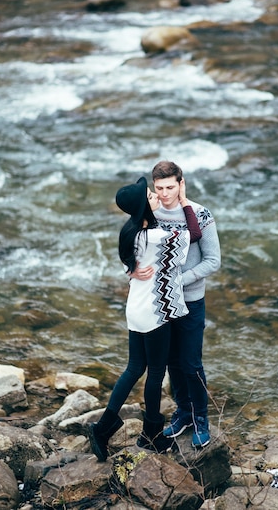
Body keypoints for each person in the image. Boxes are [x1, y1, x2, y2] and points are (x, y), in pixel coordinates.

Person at [88, 175, 202, 461]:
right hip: (154, 312)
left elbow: (130, 263)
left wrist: (130, 270)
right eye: (150, 195)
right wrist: (185, 201)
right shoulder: (157, 237)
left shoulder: (130, 231)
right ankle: (152, 433)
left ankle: (104, 427)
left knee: (133, 368)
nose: (155, 195)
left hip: (134, 309)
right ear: (144, 208)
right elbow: (194, 233)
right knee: (155, 371)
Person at [134, 161, 221, 449]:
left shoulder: (200, 214)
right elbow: (133, 245)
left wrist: (179, 280)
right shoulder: (151, 211)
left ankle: (200, 419)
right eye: (159, 188)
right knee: (170, 361)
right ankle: (183, 412)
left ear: (181, 184)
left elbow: (213, 260)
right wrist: (132, 269)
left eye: (170, 187)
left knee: (191, 362)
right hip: (160, 303)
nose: (165, 194)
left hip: (191, 300)